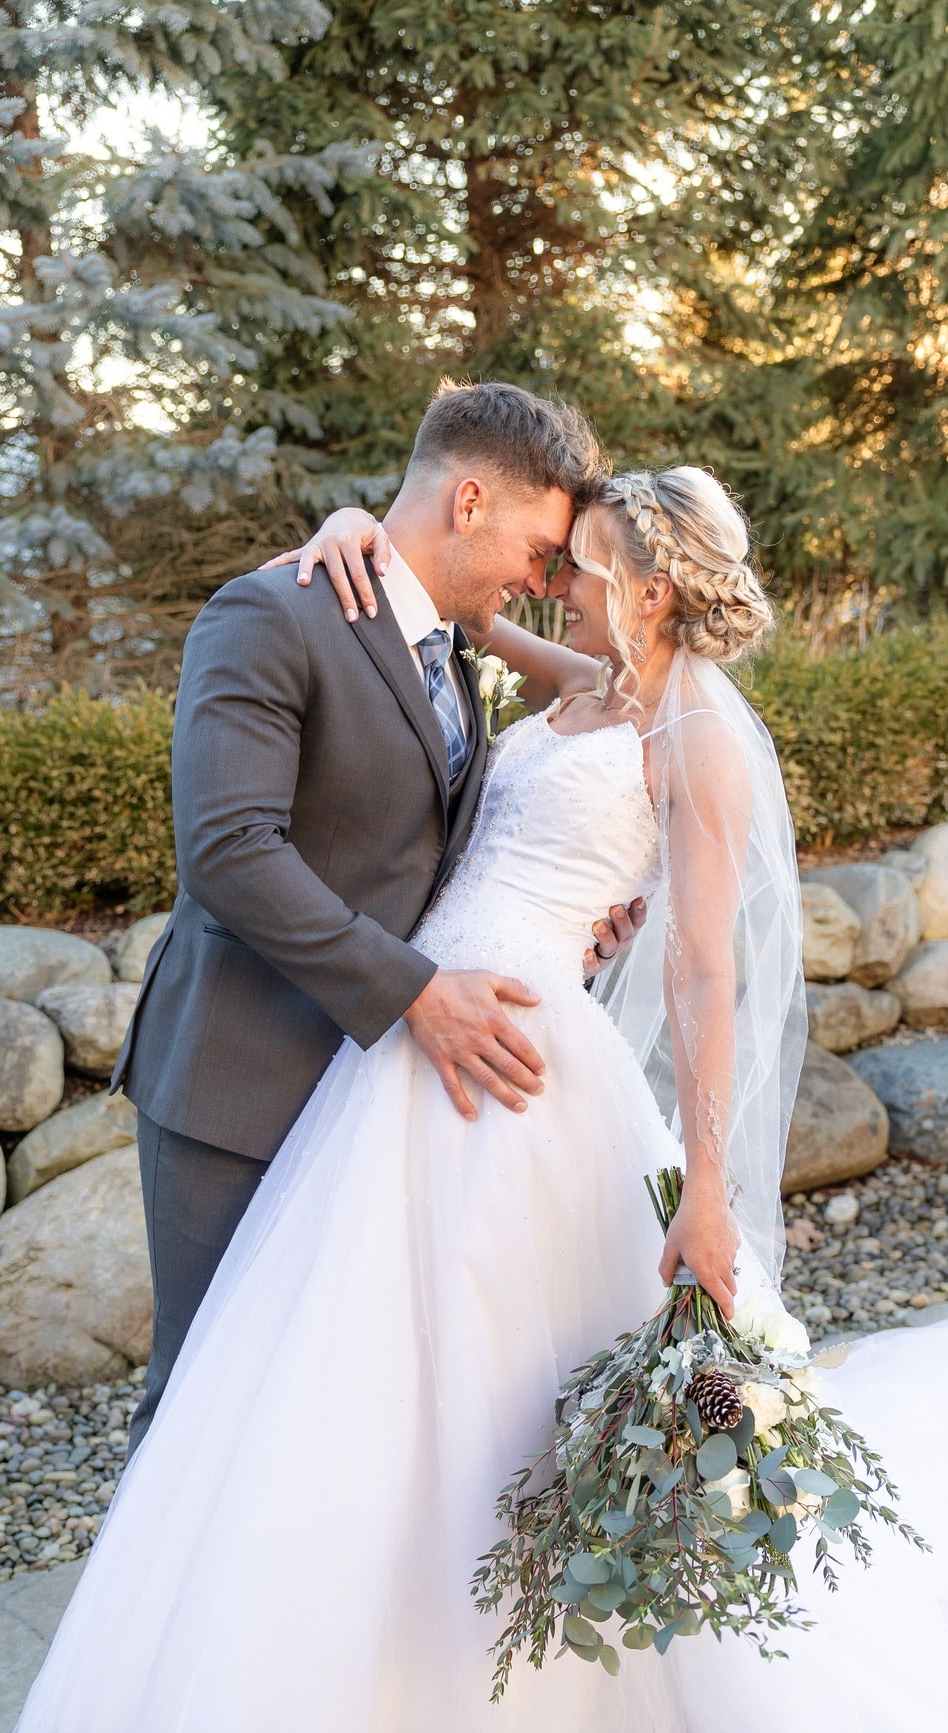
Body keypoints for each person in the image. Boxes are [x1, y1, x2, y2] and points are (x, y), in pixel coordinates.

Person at [6, 467, 948, 1733]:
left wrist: (698, 1189)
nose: (561, 578)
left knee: (480, 1399)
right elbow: (462, 623)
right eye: (561, 557)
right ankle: (295, 1721)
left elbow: (702, 972)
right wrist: (363, 529)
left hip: (519, 1073)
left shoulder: (696, 731)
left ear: (656, 581)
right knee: (360, 1397)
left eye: (592, 561)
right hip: (418, 1054)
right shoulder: (598, 682)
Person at [110, 379, 642, 1457]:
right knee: (204, 1403)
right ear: (471, 500)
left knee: (327, 1415)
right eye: (541, 547)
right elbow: (229, 850)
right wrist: (415, 992)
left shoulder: (452, 645)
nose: (543, 581)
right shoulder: (269, 612)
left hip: (372, 1102)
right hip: (244, 1080)